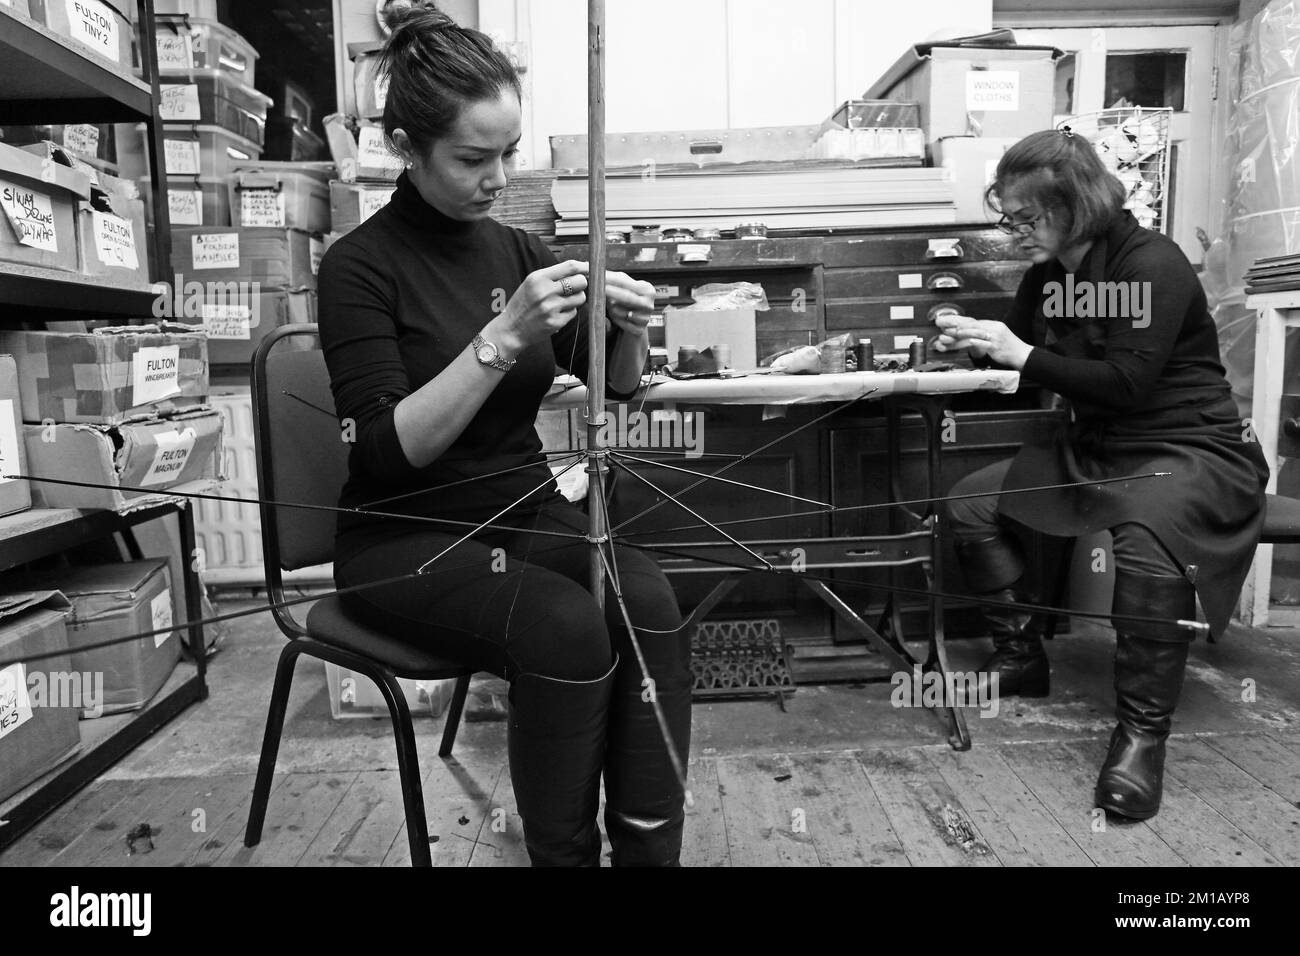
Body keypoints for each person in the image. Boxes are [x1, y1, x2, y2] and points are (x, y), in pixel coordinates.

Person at [317, 4, 692, 866]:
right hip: (406, 538)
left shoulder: (516, 249)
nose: (497, 176)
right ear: (408, 147)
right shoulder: (358, 267)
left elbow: (620, 387)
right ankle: (563, 858)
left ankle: (648, 854)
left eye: (509, 153)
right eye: (473, 158)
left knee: (648, 603)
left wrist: (626, 324)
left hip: (520, 514)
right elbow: (385, 449)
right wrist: (499, 341)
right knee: (563, 627)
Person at [933, 128, 1268, 821]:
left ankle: (1142, 736)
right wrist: (946, 363)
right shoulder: (1049, 279)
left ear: (1077, 205)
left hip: (1187, 447)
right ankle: (1022, 657)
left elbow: (1126, 382)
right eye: (1008, 216)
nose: (1014, 232)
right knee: (970, 504)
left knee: (1148, 543)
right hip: (1100, 447)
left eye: (1027, 217)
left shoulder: (1153, 265)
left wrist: (1018, 353)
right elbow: (1020, 376)